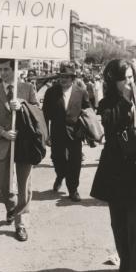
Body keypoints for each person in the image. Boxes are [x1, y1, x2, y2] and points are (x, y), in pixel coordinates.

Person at [90, 59, 136, 272]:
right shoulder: (108, 103)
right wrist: (127, 101)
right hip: (116, 172)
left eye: (131, 77)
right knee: (119, 224)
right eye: (124, 78)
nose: (129, 82)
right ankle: (126, 265)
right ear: (113, 81)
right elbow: (109, 124)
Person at [0, 58, 39, 242]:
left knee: (24, 186)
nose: (4, 72)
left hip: (24, 144)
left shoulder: (27, 88)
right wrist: (2, 132)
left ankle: (21, 222)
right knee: (2, 182)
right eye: (1, 69)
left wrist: (23, 105)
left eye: (7, 69)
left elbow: (38, 112)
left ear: (16, 69)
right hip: (3, 142)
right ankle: (11, 206)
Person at [42, 65, 91, 201]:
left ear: (72, 78)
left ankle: (73, 189)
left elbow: (88, 112)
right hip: (56, 132)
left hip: (76, 133)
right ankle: (60, 175)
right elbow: (44, 114)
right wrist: (46, 134)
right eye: (61, 76)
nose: (63, 79)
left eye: (67, 77)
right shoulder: (51, 92)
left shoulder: (81, 92)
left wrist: (88, 131)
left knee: (75, 162)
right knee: (57, 159)